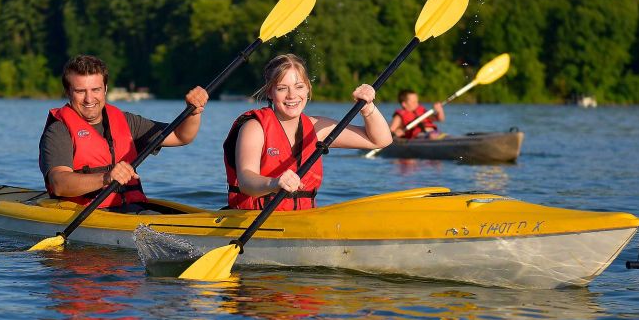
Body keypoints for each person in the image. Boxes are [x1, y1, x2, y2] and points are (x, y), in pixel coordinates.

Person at [223, 53, 393, 210]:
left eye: (299, 86)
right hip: (251, 219)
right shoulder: (254, 127)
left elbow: (380, 140)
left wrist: (368, 108)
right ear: (270, 92)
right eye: (282, 88)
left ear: (308, 89)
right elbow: (246, 180)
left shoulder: (318, 128)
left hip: (301, 217)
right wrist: (274, 184)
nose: (292, 95)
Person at [40, 54, 208, 211]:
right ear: (68, 92)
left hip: (131, 209)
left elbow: (181, 136)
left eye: (95, 90)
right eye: (80, 91)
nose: (89, 99)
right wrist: (105, 178)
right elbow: (59, 184)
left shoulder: (126, 121)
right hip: (84, 213)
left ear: (105, 89)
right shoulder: (59, 130)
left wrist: (193, 112)